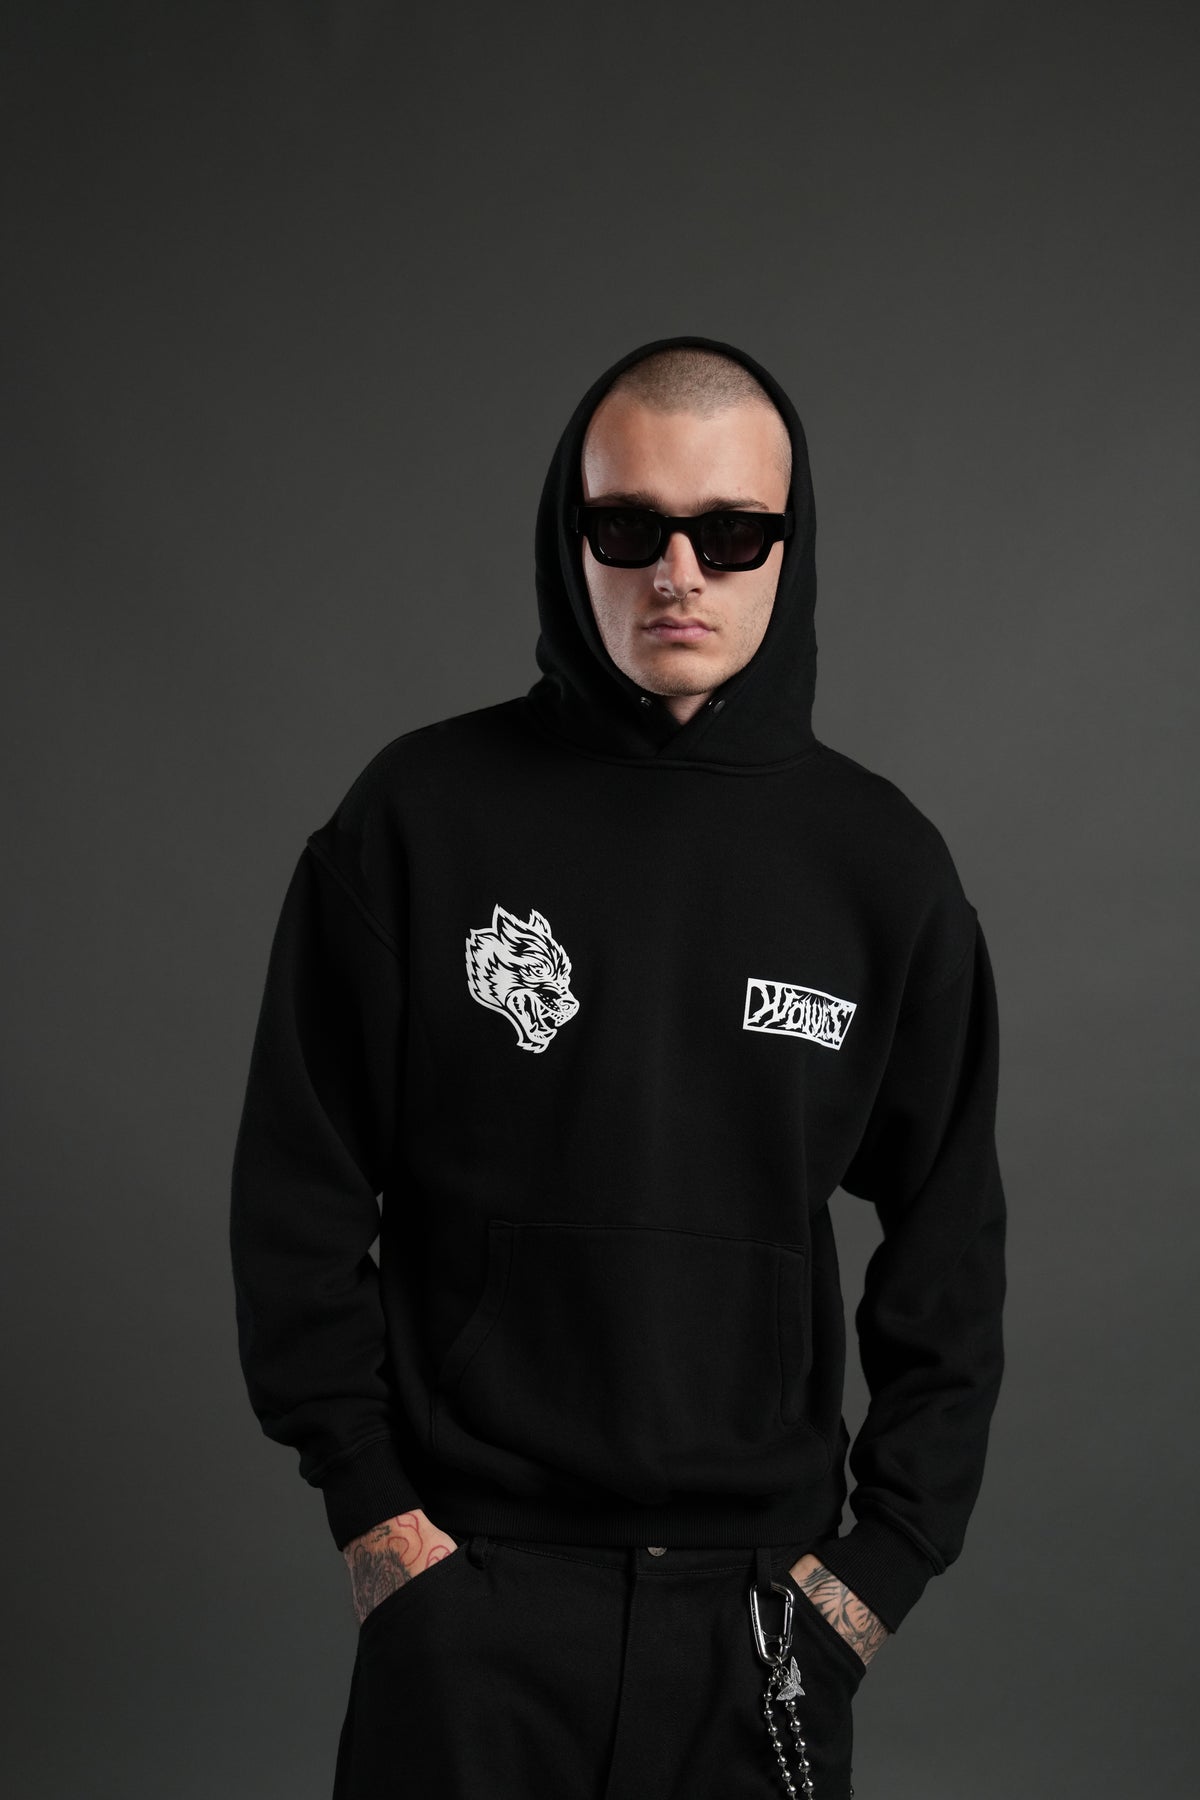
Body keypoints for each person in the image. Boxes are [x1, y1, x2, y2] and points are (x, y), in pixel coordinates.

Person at [229, 333, 1007, 1799]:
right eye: (629, 528)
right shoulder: (417, 818)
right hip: (467, 1594)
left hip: (762, 1620)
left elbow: (952, 1249)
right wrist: (376, 1513)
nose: (679, 575)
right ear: (567, 535)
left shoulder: (885, 871)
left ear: (790, 546)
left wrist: (877, 1572)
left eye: (732, 533)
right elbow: (296, 1189)